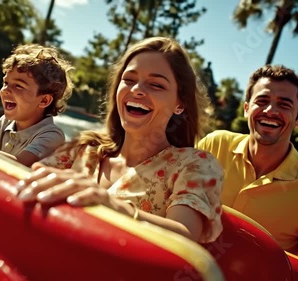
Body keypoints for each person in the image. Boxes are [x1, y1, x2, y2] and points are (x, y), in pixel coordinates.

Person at [17, 36, 224, 243]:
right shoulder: (85, 148)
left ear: (180, 104)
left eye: (156, 85)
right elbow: (24, 174)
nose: (136, 90)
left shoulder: (196, 165)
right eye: (129, 80)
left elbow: (185, 236)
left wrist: (110, 204)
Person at [197, 64, 298, 279]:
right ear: (246, 108)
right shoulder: (213, 145)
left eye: (284, 105)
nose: (270, 111)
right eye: (262, 101)